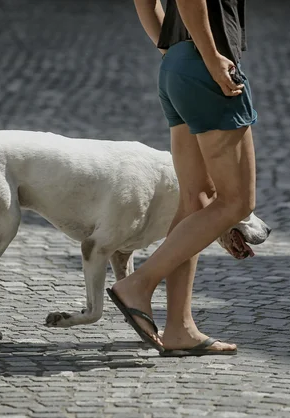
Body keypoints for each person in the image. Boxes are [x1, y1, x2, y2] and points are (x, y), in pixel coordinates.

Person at [106, 0, 258, 356]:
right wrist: (209, 57)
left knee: (196, 201)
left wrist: (173, 50)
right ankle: (138, 285)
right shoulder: (208, 60)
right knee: (237, 201)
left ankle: (179, 329)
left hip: (178, 65)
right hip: (207, 67)